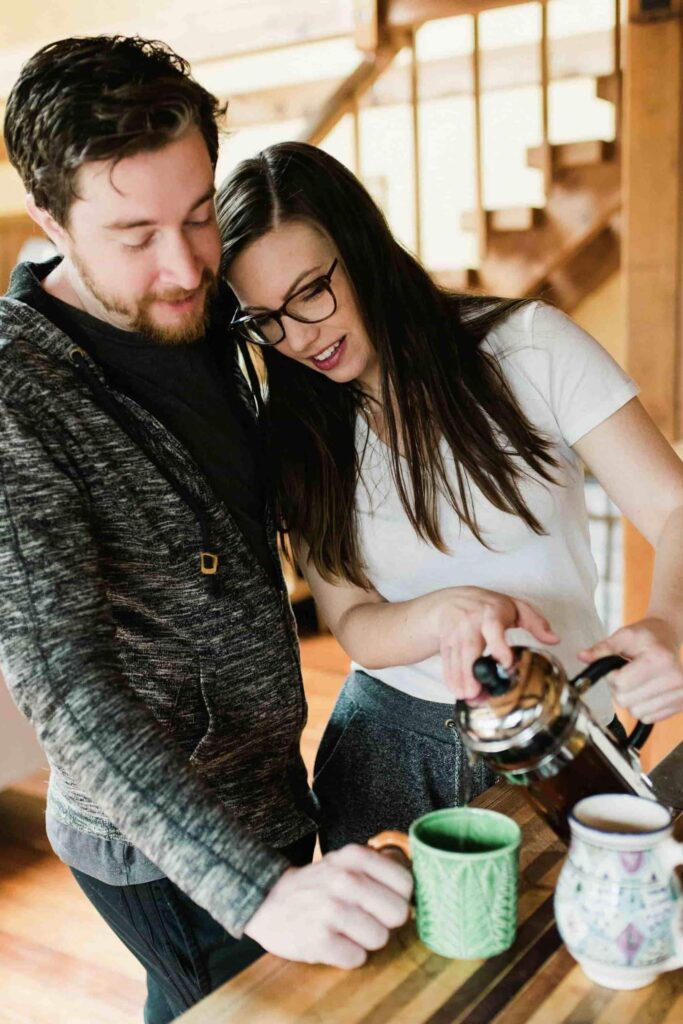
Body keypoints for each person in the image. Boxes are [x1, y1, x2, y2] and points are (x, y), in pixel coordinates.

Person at [0, 40, 412, 1024]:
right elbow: (63, 680)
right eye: (135, 233)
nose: (184, 265)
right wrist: (258, 889)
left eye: (197, 216)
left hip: (269, 790)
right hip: (159, 844)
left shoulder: (214, 300)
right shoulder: (17, 390)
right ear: (51, 219)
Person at [218, 141, 683, 852]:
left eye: (311, 291)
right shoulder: (299, 433)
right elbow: (352, 622)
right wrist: (445, 613)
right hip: (384, 747)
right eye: (265, 321)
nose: (300, 338)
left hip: (557, 733)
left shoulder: (529, 348)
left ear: (364, 247)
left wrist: (669, 624)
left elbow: (673, 507)